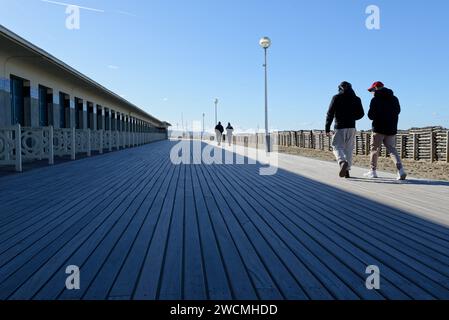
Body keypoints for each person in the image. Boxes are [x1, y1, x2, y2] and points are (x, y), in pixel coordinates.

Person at [365, 82, 407, 180]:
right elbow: (398, 111)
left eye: (372, 90)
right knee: (392, 150)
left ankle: (373, 171)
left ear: (376, 88)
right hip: (391, 129)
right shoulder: (394, 98)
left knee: (374, 149)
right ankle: (400, 170)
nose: (371, 92)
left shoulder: (375, 99)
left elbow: (370, 116)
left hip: (378, 128)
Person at [325, 81, 365, 178]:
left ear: (339, 88)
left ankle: (342, 162)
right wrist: (352, 118)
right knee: (349, 149)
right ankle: (347, 171)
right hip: (351, 127)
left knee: (336, 146)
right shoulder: (356, 99)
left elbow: (330, 114)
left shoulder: (336, 97)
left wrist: (327, 128)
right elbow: (361, 114)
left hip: (339, 127)